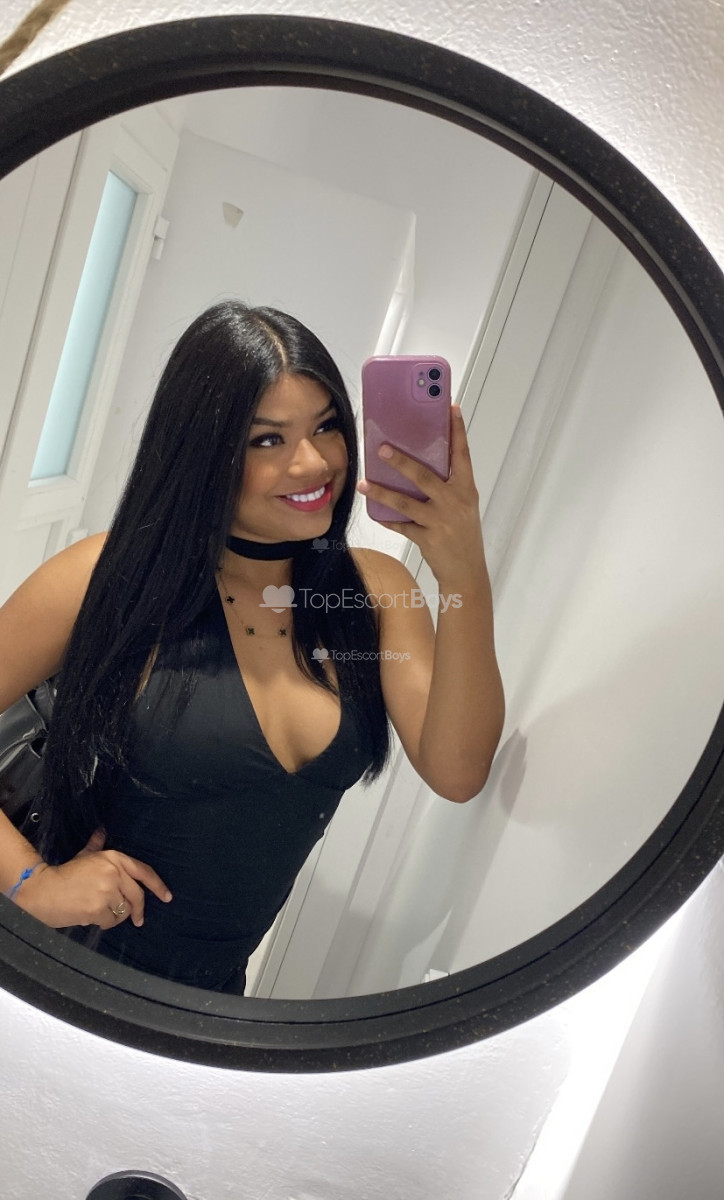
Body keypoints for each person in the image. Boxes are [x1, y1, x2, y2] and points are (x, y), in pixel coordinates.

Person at [0, 301, 504, 993]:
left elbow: (458, 771)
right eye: (268, 440)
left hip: (210, 1003)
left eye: (327, 426)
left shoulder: (376, 594)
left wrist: (464, 573)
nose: (314, 461)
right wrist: (31, 883)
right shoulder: (106, 577)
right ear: (202, 452)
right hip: (45, 973)